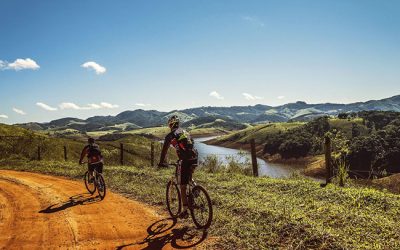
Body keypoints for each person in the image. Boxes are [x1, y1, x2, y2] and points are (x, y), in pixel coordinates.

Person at [158, 115, 198, 218]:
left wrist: (161, 162)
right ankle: (196, 188)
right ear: (178, 124)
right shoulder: (184, 132)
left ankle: (185, 211)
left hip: (184, 160)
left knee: (183, 186)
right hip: (194, 157)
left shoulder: (170, 135)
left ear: (170, 125)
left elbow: (164, 151)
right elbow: (192, 144)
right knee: (188, 177)